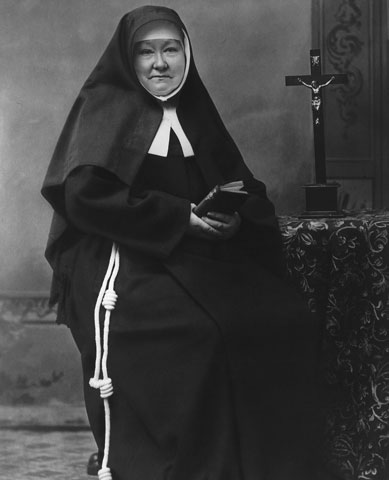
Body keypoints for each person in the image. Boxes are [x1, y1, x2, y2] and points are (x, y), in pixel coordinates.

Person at [42, 6, 323, 480]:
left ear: (186, 54)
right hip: (123, 255)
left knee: (284, 318)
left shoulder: (194, 107)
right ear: (128, 61)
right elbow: (84, 198)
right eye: (146, 52)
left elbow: (242, 183)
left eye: (170, 49)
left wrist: (236, 220)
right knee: (200, 337)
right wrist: (179, 220)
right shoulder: (105, 106)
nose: (159, 63)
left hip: (199, 253)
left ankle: (266, 467)